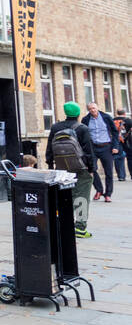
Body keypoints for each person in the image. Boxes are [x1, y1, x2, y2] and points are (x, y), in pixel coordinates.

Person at [46, 101, 96, 238]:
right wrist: (92, 169)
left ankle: (64, 224)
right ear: (78, 113)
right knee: (82, 196)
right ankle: (80, 228)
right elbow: (88, 151)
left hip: (62, 168)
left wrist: (50, 165)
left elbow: (49, 148)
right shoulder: (82, 128)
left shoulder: (56, 127)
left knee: (64, 196)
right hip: (81, 168)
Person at [81, 102, 119, 202]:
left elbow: (115, 132)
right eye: (90, 109)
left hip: (106, 147)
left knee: (109, 172)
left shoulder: (106, 117)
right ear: (88, 110)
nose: (92, 110)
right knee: (91, 169)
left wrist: (115, 146)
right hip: (92, 148)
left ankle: (108, 194)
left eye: (94, 108)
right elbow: (83, 135)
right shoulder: (85, 120)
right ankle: (99, 190)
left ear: (97, 107)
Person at [114, 108, 131, 182]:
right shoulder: (129, 121)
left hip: (117, 142)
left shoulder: (112, 120)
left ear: (117, 113)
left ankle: (121, 176)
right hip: (128, 142)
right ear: (124, 113)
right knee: (130, 159)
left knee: (118, 158)